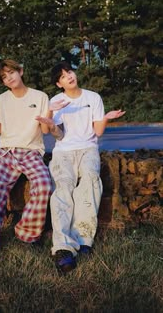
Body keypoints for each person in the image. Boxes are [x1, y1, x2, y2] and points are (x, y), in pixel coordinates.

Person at [0, 59, 64, 268]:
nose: (9, 78)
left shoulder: (40, 97)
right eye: (4, 77)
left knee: (44, 184)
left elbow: (45, 131)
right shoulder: (1, 100)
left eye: (11, 73)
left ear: (21, 71)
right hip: (7, 152)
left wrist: (50, 113)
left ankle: (26, 233)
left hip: (31, 153)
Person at [36, 61, 125, 275]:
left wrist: (105, 118)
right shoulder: (56, 100)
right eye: (63, 75)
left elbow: (98, 131)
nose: (69, 76)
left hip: (88, 149)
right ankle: (63, 248)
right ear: (59, 84)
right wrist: (50, 116)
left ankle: (84, 239)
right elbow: (56, 134)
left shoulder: (93, 98)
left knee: (90, 181)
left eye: (70, 71)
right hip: (63, 152)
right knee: (63, 188)